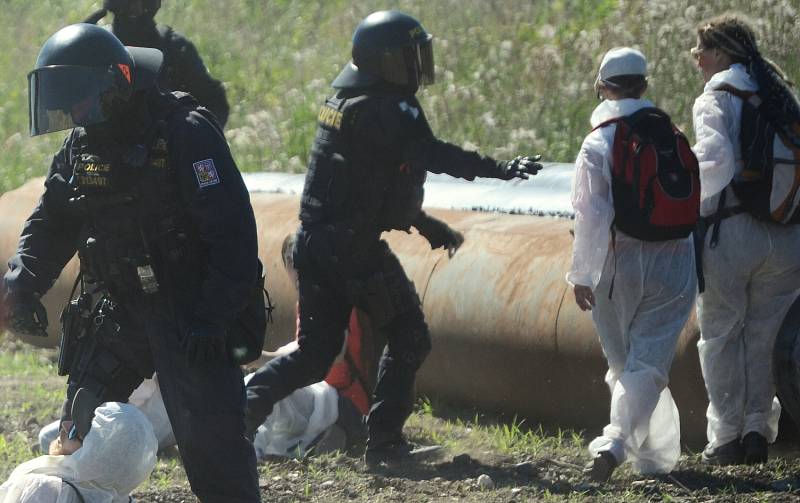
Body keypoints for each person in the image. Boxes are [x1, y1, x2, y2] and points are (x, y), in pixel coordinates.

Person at [244, 9, 542, 469]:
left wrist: (423, 224)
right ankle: (383, 444)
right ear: (383, 62)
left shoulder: (349, 99)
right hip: (352, 251)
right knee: (409, 336)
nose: (417, 66)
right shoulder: (386, 107)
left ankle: (236, 426)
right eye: (408, 57)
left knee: (313, 357)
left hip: (319, 244)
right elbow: (430, 155)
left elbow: (371, 185)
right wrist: (498, 169)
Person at [4, 24, 261, 502]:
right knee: (80, 429)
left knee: (212, 445)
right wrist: (21, 288)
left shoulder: (184, 134)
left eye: (83, 98)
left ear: (115, 85)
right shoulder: (81, 147)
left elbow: (234, 238)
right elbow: (51, 223)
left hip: (194, 309)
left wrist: (213, 318)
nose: (76, 111)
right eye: (69, 101)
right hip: (118, 306)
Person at [568, 47, 699, 481]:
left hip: (618, 262)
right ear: (644, 85)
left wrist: (581, 275)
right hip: (677, 259)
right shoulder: (670, 132)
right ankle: (649, 457)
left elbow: (590, 215)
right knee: (647, 364)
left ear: (603, 87)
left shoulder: (598, 139)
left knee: (626, 366)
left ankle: (614, 444)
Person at [690, 14, 800, 465]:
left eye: (700, 51)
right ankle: (758, 430)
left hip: (730, 233)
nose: (697, 60)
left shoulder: (715, 97)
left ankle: (726, 437)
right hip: (786, 235)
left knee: (719, 337)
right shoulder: (780, 94)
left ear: (719, 53)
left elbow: (714, 164)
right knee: (765, 336)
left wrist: (683, 188)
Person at [84, 0, 230, 126]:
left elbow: (214, 102)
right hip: (108, 147)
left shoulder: (175, 49)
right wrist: (77, 48)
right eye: (128, 4)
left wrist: (189, 139)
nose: (136, 10)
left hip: (165, 148)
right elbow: (71, 102)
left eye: (144, 3)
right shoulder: (98, 49)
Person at [0, 402, 157, 503]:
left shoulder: (46, 491)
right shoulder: (123, 499)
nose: (66, 425)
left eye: (76, 431)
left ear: (95, 456)